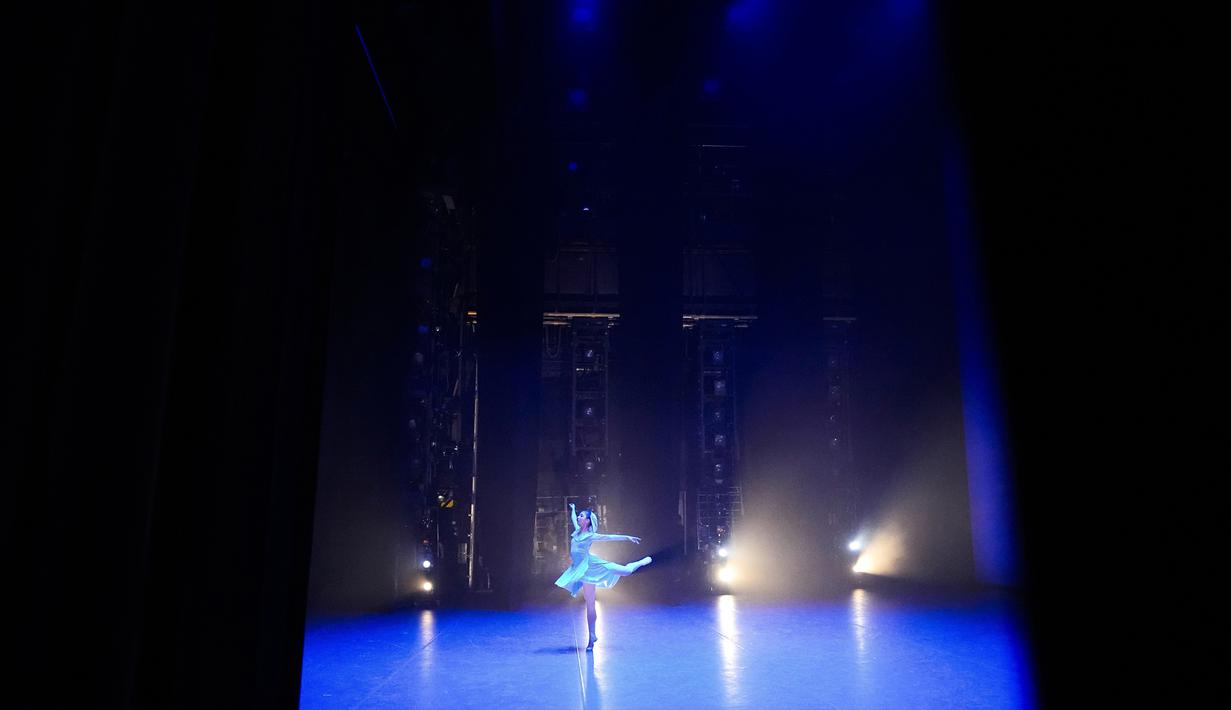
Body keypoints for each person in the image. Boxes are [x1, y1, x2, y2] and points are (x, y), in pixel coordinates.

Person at [554, 502, 652, 651]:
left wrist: (627, 538)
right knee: (590, 604)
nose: (578, 517)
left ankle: (640, 562)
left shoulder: (590, 536)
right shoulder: (576, 532)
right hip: (582, 570)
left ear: (587, 521)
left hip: (593, 565)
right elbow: (573, 519)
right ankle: (591, 638)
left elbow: (609, 537)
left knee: (625, 572)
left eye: (581, 516)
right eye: (579, 515)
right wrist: (573, 510)